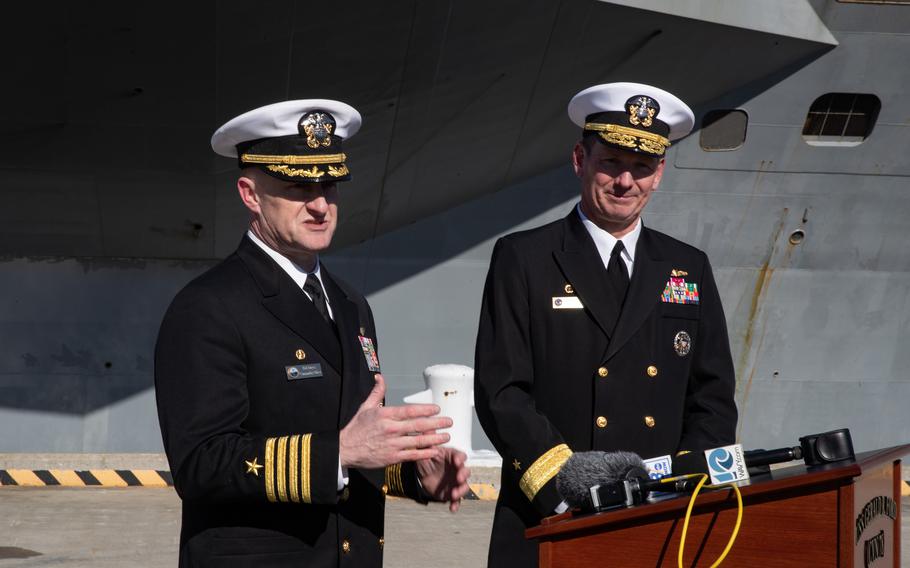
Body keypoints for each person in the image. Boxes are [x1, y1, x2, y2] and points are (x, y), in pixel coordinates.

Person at [155, 99, 471, 568]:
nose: (321, 205)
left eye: (329, 184)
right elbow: (200, 463)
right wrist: (341, 451)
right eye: (298, 187)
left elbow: (356, 443)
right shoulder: (208, 307)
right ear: (250, 193)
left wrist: (413, 473)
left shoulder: (350, 305)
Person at [473, 82, 738, 567]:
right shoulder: (525, 257)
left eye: (641, 167)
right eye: (611, 162)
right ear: (580, 159)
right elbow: (502, 391)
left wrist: (683, 486)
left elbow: (713, 394)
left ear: (659, 174)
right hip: (554, 513)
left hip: (660, 517)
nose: (625, 182)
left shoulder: (688, 266)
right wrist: (563, 488)